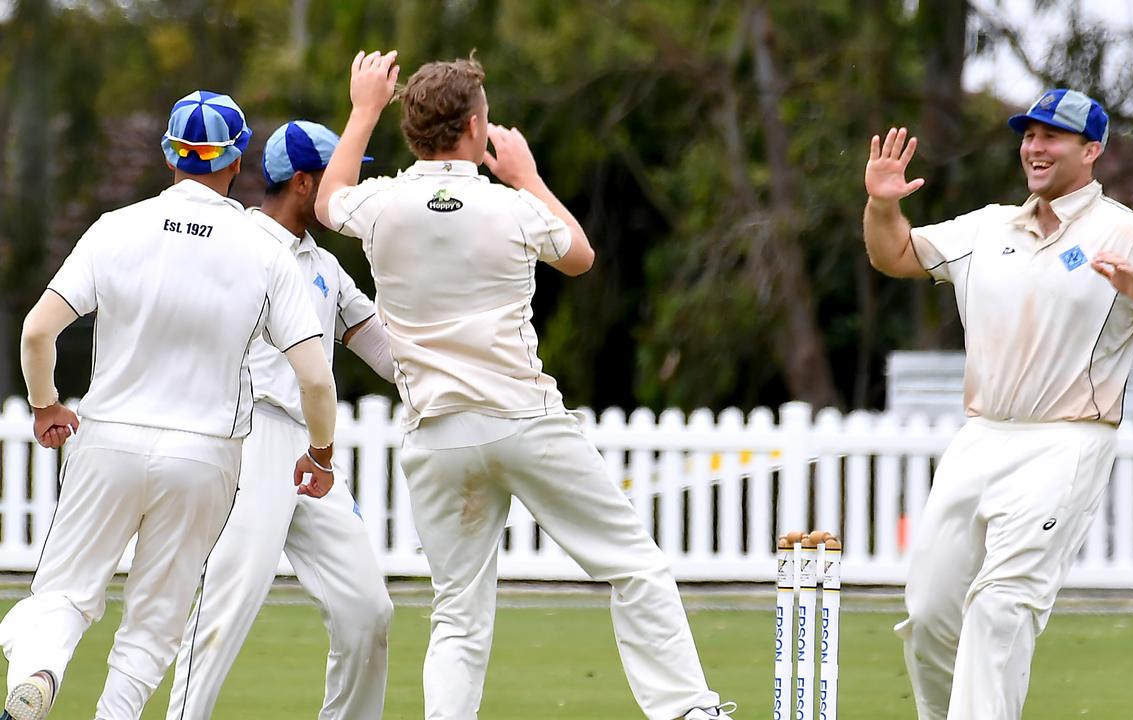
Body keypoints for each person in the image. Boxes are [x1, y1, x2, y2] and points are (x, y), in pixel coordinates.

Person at [311, 50, 736, 720]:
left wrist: (363, 108)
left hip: (437, 433)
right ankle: (688, 712)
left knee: (457, 617)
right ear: (477, 129)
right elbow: (581, 254)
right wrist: (529, 175)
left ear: (412, 131)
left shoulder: (381, 203)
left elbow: (328, 200)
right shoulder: (511, 207)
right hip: (521, 419)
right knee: (635, 566)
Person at [862, 88, 1133, 719]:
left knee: (1000, 607)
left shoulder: (1128, 234)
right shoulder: (987, 226)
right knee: (929, 613)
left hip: (1066, 441)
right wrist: (881, 205)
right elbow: (893, 253)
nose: (1035, 147)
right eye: (1028, 135)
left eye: (1051, 136)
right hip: (981, 438)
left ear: (1092, 150)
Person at [0, 91, 337, 720]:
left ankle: (40, 668)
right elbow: (315, 380)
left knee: (61, 598)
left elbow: (36, 332)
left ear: (168, 157)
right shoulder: (264, 249)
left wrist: (46, 407)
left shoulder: (116, 228)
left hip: (109, 441)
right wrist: (319, 452)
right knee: (155, 622)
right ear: (237, 162)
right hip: (206, 456)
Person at [165, 120, 396, 720]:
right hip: (249, 437)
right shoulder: (232, 237)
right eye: (336, 178)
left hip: (309, 453)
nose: (347, 190)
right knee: (224, 609)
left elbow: (385, 351)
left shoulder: (323, 263)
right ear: (302, 182)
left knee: (368, 610)